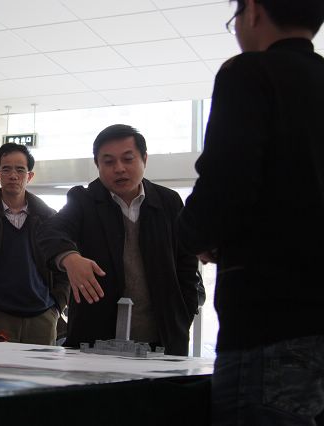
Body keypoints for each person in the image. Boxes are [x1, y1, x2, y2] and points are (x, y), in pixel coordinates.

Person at [176, 0, 324, 424]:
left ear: (254, 11)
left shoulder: (249, 73)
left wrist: (197, 236)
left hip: (271, 318)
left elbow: (228, 183)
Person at [37, 124, 202, 355]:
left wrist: (184, 313)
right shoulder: (84, 201)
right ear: (97, 165)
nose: (119, 169)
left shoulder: (169, 202)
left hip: (162, 339)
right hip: (96, 341)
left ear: (144, 159)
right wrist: (69, 258)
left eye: (128, 159)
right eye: (108, 162)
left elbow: (187, 263)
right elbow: (50, 231)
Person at [0, 143, 69, 345]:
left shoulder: (50, 219)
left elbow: (64, 267)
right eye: (6, 169)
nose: (13, 176)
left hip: (42, 319)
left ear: (29, 176)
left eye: (20, 170)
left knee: (39, 367)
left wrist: (57, 307)